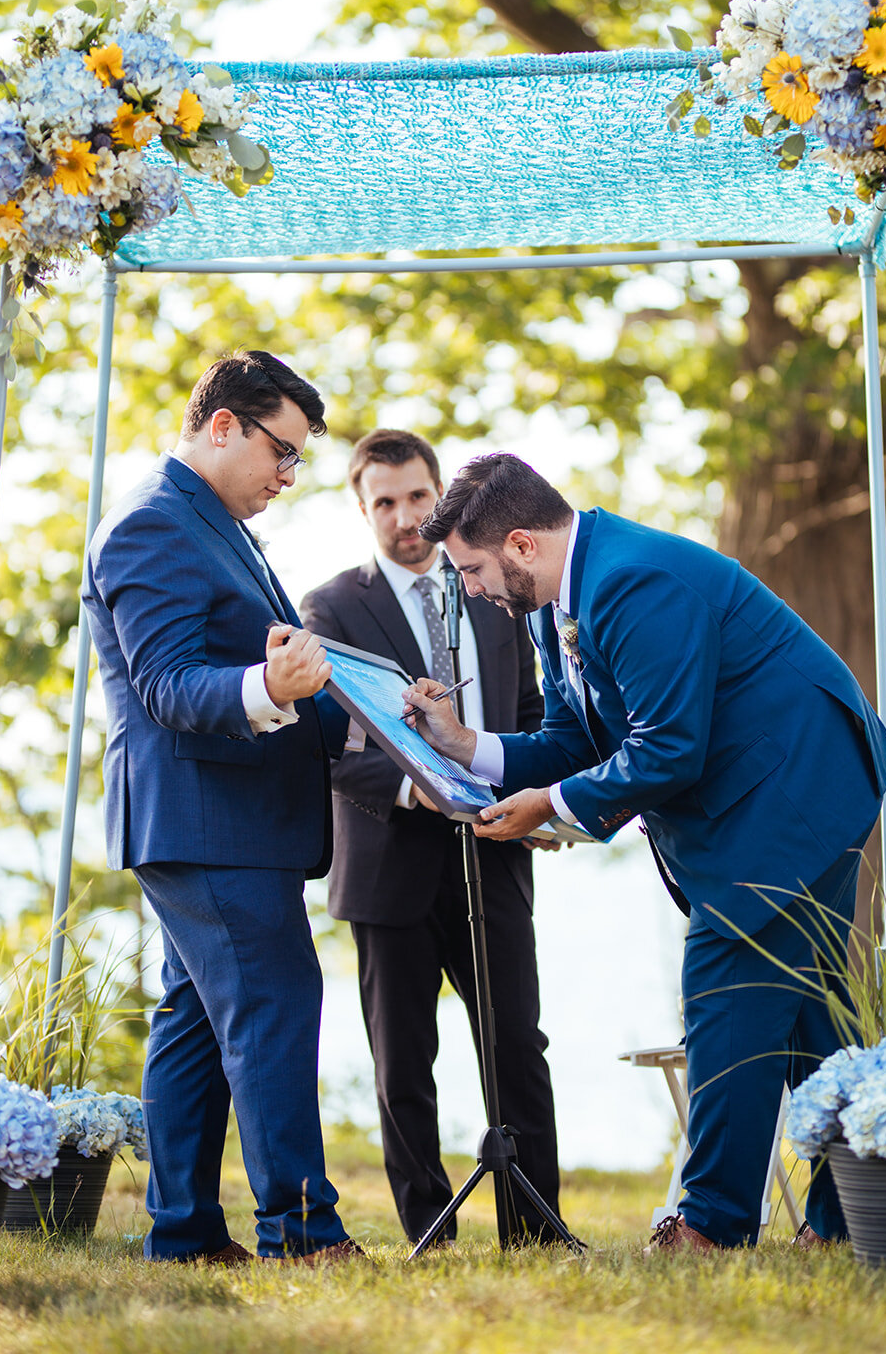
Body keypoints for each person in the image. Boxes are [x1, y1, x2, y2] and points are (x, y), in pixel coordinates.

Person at [403, 452, 886, 1255]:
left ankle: (710, 1223)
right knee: (808, 1008)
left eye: (470, 569)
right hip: (763, 789)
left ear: (522, 544)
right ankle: (851, 1216)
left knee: (725, 980)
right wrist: (468, 748)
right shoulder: (548, 605)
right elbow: (574, 740)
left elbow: (667, 748)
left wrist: (555, 807)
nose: (469, 589)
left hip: (795, 780)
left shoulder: (633, 580)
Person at [82, 350, 364, 1266]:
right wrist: (267, 685)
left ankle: (185, 1233)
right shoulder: (150, 525)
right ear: (220, 427)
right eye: (280, 452)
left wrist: (371, 711)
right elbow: (167, 684)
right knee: (277, 1002)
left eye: (298, 459)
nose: (288, 476)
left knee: (197, 1023)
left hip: (226, 815)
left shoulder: (214, 523)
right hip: (206, 817)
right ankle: (300, 1229)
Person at [299, 429, 563, 1245]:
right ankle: (429, 1229)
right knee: (403, 1064)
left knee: (515, 1043)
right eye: (384, 502)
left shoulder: (493, 586)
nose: (404, 515)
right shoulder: (329, 607)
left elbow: (529, 716)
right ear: (362, 509)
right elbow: (331, 756)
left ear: (437, 492)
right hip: (388, 864)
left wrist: (530, 802)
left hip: (495, 851)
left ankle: (536, 1228)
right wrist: (422, 794)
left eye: (416, 496)